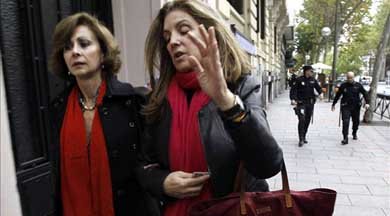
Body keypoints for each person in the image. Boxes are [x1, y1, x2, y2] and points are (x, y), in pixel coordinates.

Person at [135, 0, 283, 215]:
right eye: (167, 37)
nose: (173, 42)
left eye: (184, 31)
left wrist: (226, 101)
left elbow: (267, 165)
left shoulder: (242, 86)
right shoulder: (158, 97)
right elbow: (144, 165)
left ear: (210, 32)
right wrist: (163, 183)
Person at [48, 12, 155, 216]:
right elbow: (59, 179)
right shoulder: (58, 109)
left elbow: (149, 165)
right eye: (68, 47)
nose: (75, 52)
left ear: (103, 53)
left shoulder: (132, 100)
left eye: (84, 43)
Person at [331, 71, 369, 145]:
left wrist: (367, 103)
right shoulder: (343, 86)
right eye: (348, 78)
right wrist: (333, 104)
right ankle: (345, 137)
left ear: (353, 77)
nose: (349, 79)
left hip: (356, 107)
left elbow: (365, 93)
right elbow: (338, 95)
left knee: (356, 122)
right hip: (346, 106)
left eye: (351, 78)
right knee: (345, 121)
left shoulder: (358, 85)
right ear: (346, 77)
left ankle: (354, 132)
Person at [290, 65, 323, 147]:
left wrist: (321, 94)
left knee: (307, 120)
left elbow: (318, 88)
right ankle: (301, 138)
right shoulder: (299, 80)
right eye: (311, 71)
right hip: (301, 103)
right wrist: (293, 99)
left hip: (310, 103)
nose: (312, 72)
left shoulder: (313, 80)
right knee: (302, 119)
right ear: (306, 71)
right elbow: (293, 90)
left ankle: (304, 135)